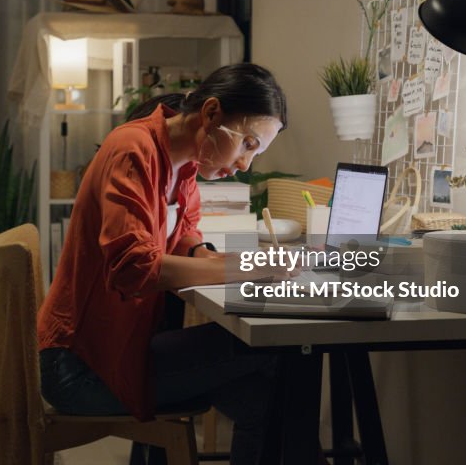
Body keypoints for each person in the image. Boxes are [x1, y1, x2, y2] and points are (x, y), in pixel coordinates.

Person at [37, 63, 288, 463]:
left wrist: (212, 256)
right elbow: (133, 268)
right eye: (248, 144)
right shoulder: (133, 149)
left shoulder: (185, 162)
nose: (246, 164)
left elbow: (184, 233)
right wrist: (248, 269)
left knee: (262, 398)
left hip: (122, 345)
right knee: (273, 353)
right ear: (211, 113)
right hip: (82, 364)